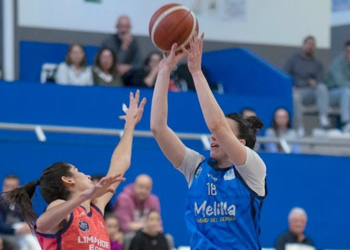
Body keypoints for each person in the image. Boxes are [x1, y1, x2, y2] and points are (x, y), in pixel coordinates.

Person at [150, 33, 267, 250]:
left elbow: (217, 125)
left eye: (224, 136)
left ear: (240, 144)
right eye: (215, 135)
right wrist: (164, 71)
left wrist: (196, 71)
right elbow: (158, 128)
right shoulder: (196, 168)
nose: (214, 136)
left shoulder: (252, 169)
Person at [3, 90, 146, 250]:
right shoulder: (60, 206)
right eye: (78, 170)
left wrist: (130, 126)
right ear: (68, 180)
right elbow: (42, 223)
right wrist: (85, 195)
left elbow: (120, 163)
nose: (86, 175)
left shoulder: (97, 207)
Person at [284, 36, 330, 136]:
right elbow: (285, 76)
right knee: (295, 97)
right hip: (298, 90)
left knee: (322, 88)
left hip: (311, 92)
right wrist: (290, 86)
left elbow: (321, 79)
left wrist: (316, 82)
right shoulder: (293, 61)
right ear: (303, 45)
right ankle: (299, 128)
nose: (310, 47)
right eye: (308, 44)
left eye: (312, 45)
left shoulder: (317, 64)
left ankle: (323, 119)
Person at [0, 175, 41, 250]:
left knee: (27, 241)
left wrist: (30, 225)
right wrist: (17, 230)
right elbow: (1, 225)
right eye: (7, 186)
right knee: (28, 238)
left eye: (12, 187)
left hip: (23, 232)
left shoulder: (22, 202)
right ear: (3, 187)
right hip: (8, 232)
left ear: (18, 188)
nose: (9, 190)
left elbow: (32, 218)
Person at [326, 40, 350, 133]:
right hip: (331, 94)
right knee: (346, 92)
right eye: (348, 51)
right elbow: (340, 82)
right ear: (345, 51)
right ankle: (346, 123)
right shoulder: (337, 63)